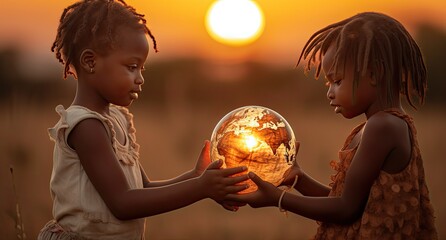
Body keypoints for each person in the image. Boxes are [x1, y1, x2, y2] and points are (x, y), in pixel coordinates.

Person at [38, 0, 248, 239]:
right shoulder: (86, 126)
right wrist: (201, 188)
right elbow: (123, 203)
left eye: (142, 69)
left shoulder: (115, 119)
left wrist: (196, 176)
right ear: (90, 62)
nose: (140, 79)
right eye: (132, 66)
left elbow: (142, 190)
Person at [227, 12, 438, 239]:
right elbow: (347, 200)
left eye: (337, 81)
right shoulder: (374, 126)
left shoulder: (383, 127)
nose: (330, 93)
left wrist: (277, 199)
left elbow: (346, 210)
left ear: (375, 73)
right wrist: (298, 178)